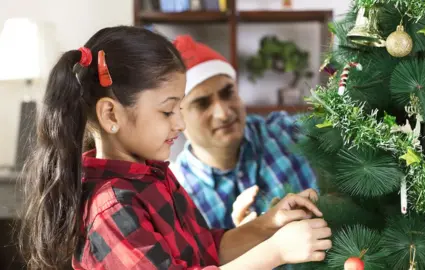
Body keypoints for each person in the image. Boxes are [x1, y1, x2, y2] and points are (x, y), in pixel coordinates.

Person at [17, 26, 332, 270]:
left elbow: (207, 250)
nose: (180, 125)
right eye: (168, 111)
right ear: (111, 114)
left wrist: (268, 224)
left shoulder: (154, 176)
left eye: (181, 109)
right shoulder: (111, 207)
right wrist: (276, 252)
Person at [172, 35, 319, 229]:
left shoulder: (285, 132)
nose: (224, 113)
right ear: (176, 119)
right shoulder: (178, 197)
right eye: (202, 103)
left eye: (228, 93)